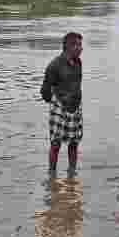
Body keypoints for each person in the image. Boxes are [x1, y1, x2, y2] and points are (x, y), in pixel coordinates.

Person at [40, 32, 84, 172]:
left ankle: (72, 173)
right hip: (59, 106)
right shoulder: (54, 65)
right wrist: (55, 103)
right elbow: (45, 91)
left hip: (75, 106)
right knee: (55, 143)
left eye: (80, 45)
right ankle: (52, 174)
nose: (80, 48)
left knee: (74, 143)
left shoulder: (78, 62)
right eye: (77, 45)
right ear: (68, 46)